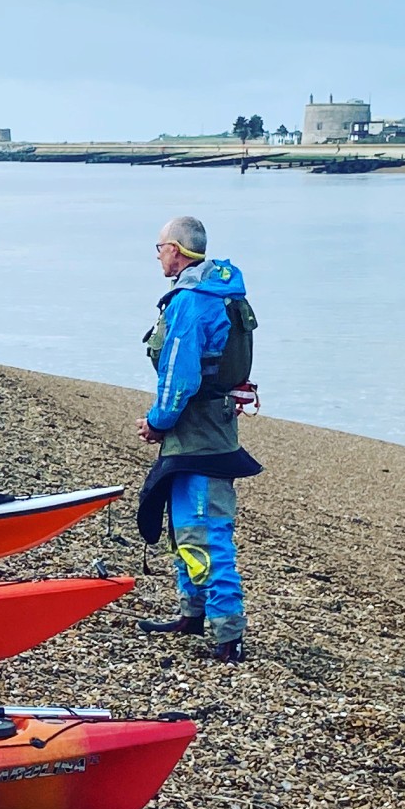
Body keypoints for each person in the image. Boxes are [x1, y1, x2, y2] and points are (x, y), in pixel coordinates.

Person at [135, 215, 261, 662]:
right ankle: (192, 613)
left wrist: (158, 421)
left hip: (198, 435)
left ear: (176, 249)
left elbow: (179, 374)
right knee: (184, 526)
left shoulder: (191, 302)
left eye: (158, 247)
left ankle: (228, 635)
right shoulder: (227, 293)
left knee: (205, 532)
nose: (157, 256)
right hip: (215, 428)